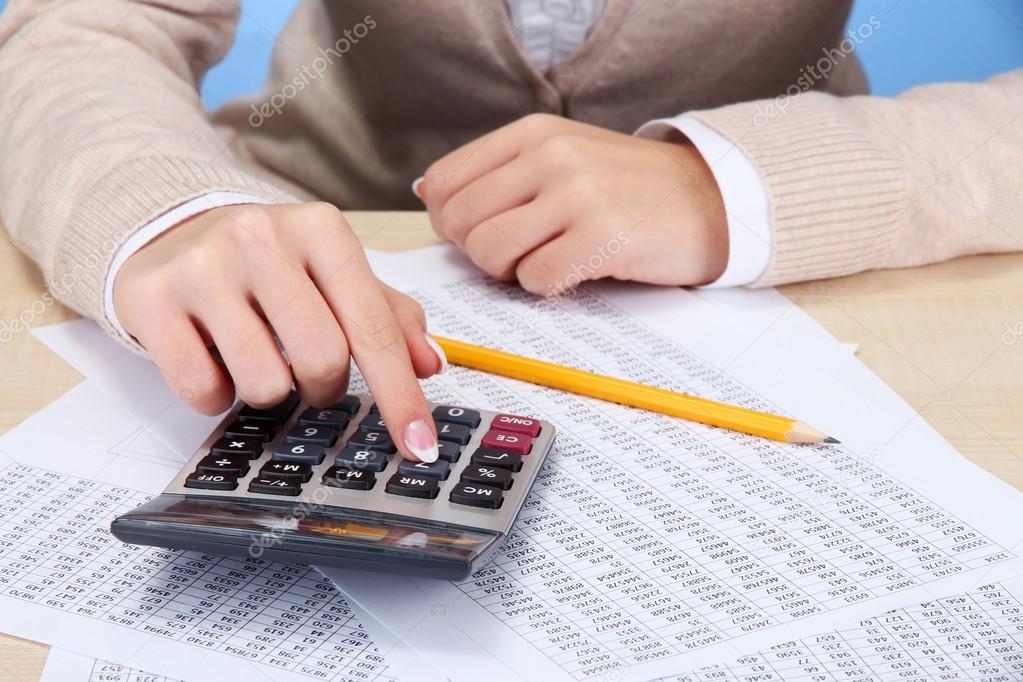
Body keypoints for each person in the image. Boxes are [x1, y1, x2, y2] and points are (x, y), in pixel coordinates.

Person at [1, 1, 1019, 464]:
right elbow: (86, 22)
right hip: (309, 222)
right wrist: (166, 207)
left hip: (790, 271)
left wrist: (738, 188)